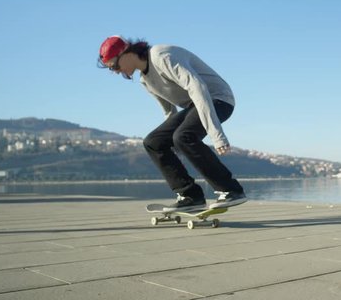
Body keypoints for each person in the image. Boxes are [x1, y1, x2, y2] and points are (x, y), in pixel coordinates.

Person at [98, 35, 247, 211]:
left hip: (218, 99)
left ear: (127, 53)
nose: (115, 71)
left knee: (183, 136)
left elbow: (197, 87)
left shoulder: (160, 56)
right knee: (153, 142)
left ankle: (230, 189)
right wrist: (170, 145)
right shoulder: (145, 81)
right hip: (193, 106)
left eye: (115, 65)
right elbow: (170, 113)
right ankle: (189, 195)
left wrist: (217, 134)